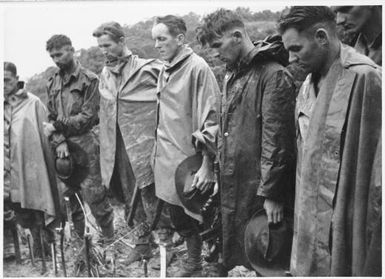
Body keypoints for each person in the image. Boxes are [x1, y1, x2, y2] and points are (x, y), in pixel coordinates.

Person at [278, 6, 382, 276]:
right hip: (309, 219)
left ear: (322, 37)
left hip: (347, 220)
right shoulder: (305, 86)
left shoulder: (366, 78)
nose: (290, 59)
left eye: (296, 49)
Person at [197, 9, 296, 276]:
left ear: (238, 36)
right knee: (235, 252)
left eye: (218, 45)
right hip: (233, 183)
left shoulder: (273, 75)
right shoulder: (231, 75)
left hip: (260, 190)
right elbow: (227, 131)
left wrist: (273, 194)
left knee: (261, 257)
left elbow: (277, 140)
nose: (215, 53)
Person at [92, 21, 171, 264]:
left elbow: (167, 96)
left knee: (153, 192)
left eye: (107, 45)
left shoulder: (148, 68)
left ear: (122, 41)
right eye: (100, 47)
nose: (104, 51)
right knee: (129, 195)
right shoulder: (104, 75)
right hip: (119, 146)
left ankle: (167, 245)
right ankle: (142, 244)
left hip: (146, 143)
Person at [151, 15, 220, 277]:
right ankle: (193, 261)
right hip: (167, 158)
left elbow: (211, 118)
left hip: (188, 160)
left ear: (180, 39)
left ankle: (198, 264)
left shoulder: (197, 68)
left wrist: (207, 163)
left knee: (195, 216)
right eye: (154, 40)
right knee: (177, 215)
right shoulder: (165, 68)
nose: (157, 45)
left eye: (162, 39)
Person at [43, 35, 115, 261]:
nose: (56, 59)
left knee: (96, 197)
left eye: (60, 53)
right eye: (52, 55)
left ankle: (109, 243)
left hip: (86, 145)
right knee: (71, 199)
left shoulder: (89, 80)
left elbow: (87, 117)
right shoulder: (52, 81)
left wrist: (57, 126)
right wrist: (59, 140)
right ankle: (80, 247)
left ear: (72, 50)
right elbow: (50, 117)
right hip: (63, 150)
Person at [3, 61, 60, 258]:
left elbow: (45, 135)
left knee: (38, 207)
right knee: (15, 209)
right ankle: (10, 247)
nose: (3, 85)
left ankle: (45, 247)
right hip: (7, 171)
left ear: (16, 80)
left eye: (6, 80)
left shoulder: (32, 103)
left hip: (31, 167)